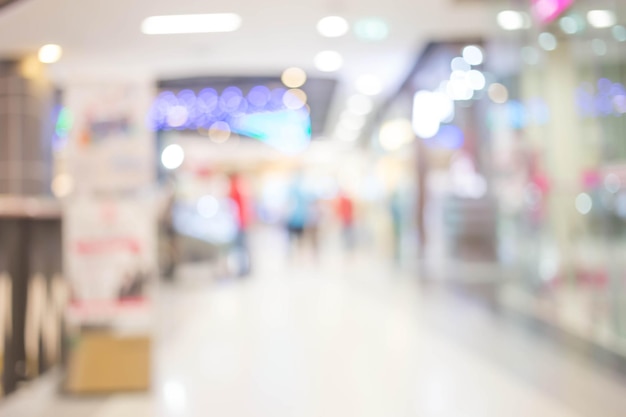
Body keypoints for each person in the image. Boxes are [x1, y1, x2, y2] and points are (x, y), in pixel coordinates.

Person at [228, 173, 251, 277]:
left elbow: (233, 208)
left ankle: (243, 269)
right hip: (242, 222)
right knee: (243, 247)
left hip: (238, 223)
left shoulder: (235, 189)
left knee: (240, 248)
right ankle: (245, 269)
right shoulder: (240, 188)